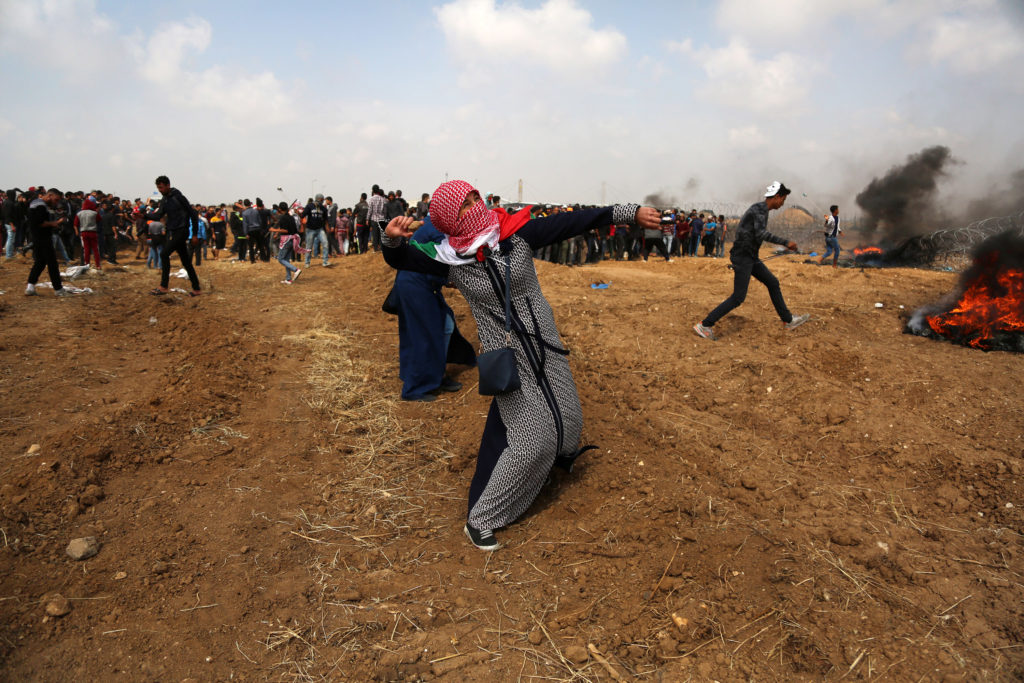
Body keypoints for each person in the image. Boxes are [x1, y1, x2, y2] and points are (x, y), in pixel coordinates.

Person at [381, 179, 660, 550]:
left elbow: (574, 221)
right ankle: (482, 518)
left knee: (570, 417)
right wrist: (391, 240)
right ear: (449, 218)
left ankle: (551, 467)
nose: (476, 205)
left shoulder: (515, 234)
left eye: (475, 197)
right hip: (507, 355)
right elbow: (401, 260)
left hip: (545, 342)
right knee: (531, 441)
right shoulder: (449, 260)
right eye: (465, 204)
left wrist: (628, 213)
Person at [694, 182, 808, 340]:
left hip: (750, 256)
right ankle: (705, 325)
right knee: (738, 297)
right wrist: (785, 242)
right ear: (777, 197)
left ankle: (788, 320)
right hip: (743, 256)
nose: (783, 204)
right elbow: (761, 233)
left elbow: (754, 234)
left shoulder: (762, 210)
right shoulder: (759, 210)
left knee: (772, 283)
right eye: (783, 200)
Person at [390, 218, 477, 401]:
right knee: (424, 335)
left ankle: (434, 375)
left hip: (421, 284)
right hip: (416, 285)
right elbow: (443, 260)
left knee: (445, 325)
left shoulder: (438, 226)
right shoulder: (439, 230)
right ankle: (415, 388)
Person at [147, 175, 201, 296]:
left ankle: (163, 286)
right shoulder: (164, 200)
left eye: (161, 187)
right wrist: (144, 215)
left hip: (182, 231)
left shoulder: (179, 197)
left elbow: (193, 214)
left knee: (164, 253)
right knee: (186, 262)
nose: (160, 190)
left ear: (168, 185)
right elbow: (158, 215)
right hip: (174, 232)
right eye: (158, 188)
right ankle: (197, 289)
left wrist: (195, 234)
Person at [25, 188, 71, 297]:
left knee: (40, 262)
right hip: (42, 237)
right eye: (56, 199)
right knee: (52, 263)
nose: (56, 202)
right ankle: (58, 290)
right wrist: (55, 223)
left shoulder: (36, 204)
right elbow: (40, 223)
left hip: (37, 237)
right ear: (49, 195)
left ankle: (30, 287)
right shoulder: (40, 206)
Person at [270, 202, 303, 284]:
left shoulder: (283, 218)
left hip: (286, 240)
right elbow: (287, 228)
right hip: (293, 239)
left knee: (280, 259)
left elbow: (285, 230)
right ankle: (288, 279)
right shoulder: (291, 217)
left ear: (280, 209)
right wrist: (277, 234)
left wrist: (274, 230)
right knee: (286, 260)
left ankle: (296, 270)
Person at [302, 193, 330, 268]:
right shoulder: (309, 206)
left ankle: (325, 261)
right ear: (319, 199)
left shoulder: (323, 208)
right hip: (310, 229)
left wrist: (327, 227)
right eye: (321, 200)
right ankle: (307, 262)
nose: (322, 201)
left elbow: (326, 219)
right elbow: (303, 215)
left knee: (325, 243)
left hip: (320, 229)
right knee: (309, 246)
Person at [74, 196, 102, 269]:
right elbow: (99, 219)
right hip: (93, 232)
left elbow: (75, 224)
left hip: (83, 232)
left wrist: (77, 231)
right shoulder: (94, 213)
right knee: (95, 249)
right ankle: (98, 265)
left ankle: (87, 264)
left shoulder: (79, 213)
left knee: (86, 249)